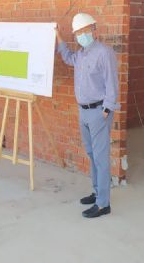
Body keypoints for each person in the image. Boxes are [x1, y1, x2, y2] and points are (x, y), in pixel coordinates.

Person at [56, 13, 120, 219]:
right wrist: (57, 35)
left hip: (99, 112)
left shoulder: (104, 53)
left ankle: (103, 204)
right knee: (92, 155)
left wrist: (107, 109)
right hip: (83, 111)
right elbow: (67, 57)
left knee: (101, 159)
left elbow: (112, 83)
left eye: (85, 31)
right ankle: (97, 192)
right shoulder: (81, 54)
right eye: (78, 33)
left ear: (94, 30)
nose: (82, 35)